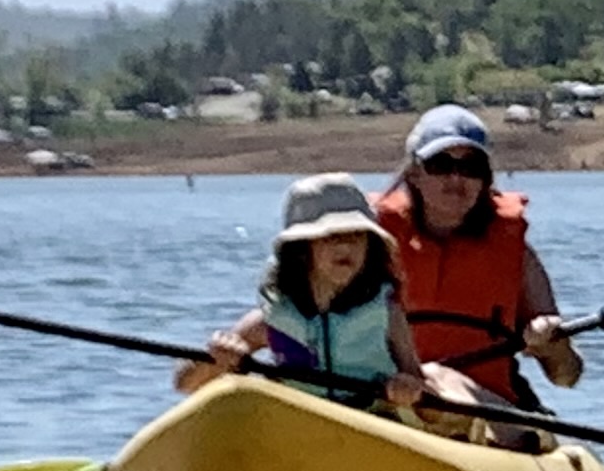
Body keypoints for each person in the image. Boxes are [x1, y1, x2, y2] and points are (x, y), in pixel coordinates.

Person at [371, 103, 588, 414]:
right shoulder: (369, 244)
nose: (456, 179)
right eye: (440, 165)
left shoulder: (517, 255)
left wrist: (554, 346)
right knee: (428, 380)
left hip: (489, 414)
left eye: (471, 167)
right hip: (387, 405)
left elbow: (567, 376)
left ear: (485, 179)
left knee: (438, 382)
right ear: (414, 174)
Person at [179, 175, 428, 415]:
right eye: (330, 236)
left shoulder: (387, 314)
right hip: (300, 423)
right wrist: (215, 359)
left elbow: (423, 394)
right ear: (301, 250)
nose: (345, 246)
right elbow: (185, 384)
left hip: (373, 421)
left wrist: (409, 387)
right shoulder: (269, 322)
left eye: (357, 235)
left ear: (370, 247)